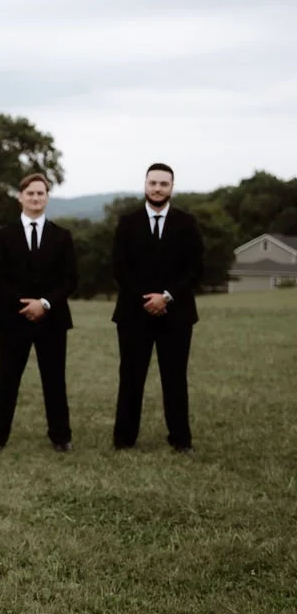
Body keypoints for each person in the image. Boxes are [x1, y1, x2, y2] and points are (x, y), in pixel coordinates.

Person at [112, 163, 204, 452]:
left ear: (172, 187)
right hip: (133, 314)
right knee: (131, 377)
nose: (157, 188)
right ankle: (124, 439)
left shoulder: (187, 223)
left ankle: (180, 439)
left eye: (164, 184)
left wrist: (166, 297)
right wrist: (147, 298)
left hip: (176, 314)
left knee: (175, 378)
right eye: (153, 183)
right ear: (145, 184)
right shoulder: (127, 222)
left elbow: (196, 268)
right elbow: (119, 267)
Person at [0, 173, 78, 453]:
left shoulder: (62, 236)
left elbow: (70, 279)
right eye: (30, 193)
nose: (35, 198)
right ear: (20, 197)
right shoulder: (4, 236)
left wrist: (45, 304)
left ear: (47, 198)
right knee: (7, 379)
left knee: (54, 379)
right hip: (14, 319)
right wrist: (24, 304)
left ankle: (60, 437)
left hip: (52, 319)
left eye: (41, 193)